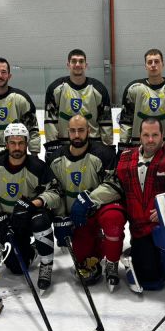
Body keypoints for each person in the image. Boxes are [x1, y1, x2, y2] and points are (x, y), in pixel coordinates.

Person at [85, 118, 165, 292]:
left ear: (162, 135)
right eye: (146, 135)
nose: (150, 140)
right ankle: (137, 252)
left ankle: (159, 257)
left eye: (155, 135)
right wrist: (91, 199)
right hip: (141, 230)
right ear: (139, 136)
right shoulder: (126, 159)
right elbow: (115, 188)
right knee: (151, 282)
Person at [48, 115, 126, 291]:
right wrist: (60, 218)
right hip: (78, 218)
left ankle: (112, 262)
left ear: (88, 131)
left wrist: (89, 199)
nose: (77, 135)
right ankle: (97, 246)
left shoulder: (104, 154)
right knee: (82, 257)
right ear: (67, 132)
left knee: (114, 218)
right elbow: (54, 191)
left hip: (101, 209)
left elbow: (114, 186)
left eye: (81, 130)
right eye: (73, 131)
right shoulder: (55, 158)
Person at [0, 123, 61, 293]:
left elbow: (56, 193)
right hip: (10, 221)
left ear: (27, 143)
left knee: (41, 221)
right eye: (12, 143)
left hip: (31, 216)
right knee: (16, 267)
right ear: (6, 144)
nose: (17, 147)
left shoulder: (38, 166)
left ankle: (46, 264)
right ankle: (33, 250)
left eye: (21, 143)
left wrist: (32, 204)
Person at [44, 49, 114, 162]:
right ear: (68, 64)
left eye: (81, 61)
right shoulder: (55, 88)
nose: (77, 64)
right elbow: (51, 121)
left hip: (93, 146)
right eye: (74, 61)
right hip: (64, 146)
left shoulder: (99, 89)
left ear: (86, 65)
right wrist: (51, 146)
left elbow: (105, 122)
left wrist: (108, 147)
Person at [118, 48, 165, 153]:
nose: (153, 65)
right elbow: (126, 122)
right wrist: (123, 147)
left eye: (157, 61)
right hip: (140, 148)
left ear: (163, 64)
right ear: (145, 66)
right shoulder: (133, 89)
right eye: (150, 62)